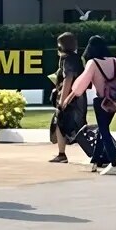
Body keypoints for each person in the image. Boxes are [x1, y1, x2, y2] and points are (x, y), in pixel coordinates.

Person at [64, 36, 116, 176]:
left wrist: (69, 96)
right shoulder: (114, 61)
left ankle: (114, 164)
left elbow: (81, 84)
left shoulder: (92, 63)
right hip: (115, 101)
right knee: (103, 131)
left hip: (102, 102)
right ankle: (94, 161)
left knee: (104, 131)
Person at [48, 32, 86, 164]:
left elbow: (68, 80)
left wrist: (62, 101)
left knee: (61, 123)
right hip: (79, 97)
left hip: (69, 99)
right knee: (79, 126)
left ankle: (61, 154)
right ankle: (99, 152)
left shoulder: (67, 60)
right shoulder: (77, 58)